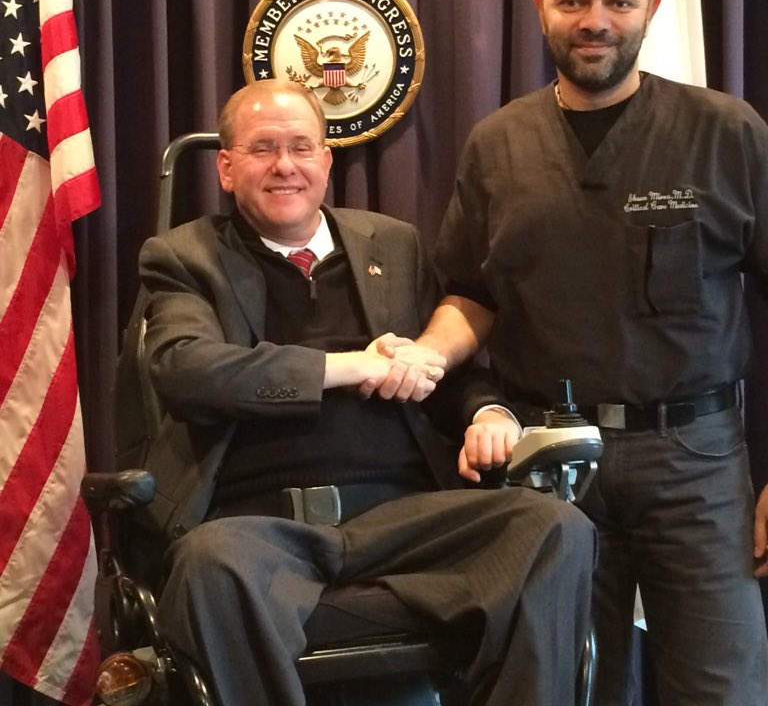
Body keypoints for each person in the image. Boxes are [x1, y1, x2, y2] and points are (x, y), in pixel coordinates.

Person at [136, 78, 596, 706]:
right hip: (260, 523)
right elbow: (188, 370)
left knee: (553, 527)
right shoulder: (184, 256)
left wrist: (488, 414)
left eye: (302, 147)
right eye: (263, 148)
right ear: (226, 168)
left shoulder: (393, 244)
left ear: (326, 161)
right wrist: (351, 366)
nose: (285, 166)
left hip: (401, 516)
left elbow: (444, 373)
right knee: (209, 566)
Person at [410, 0, 768, 705]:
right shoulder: (497, 145)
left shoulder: (728, 133)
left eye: (618, 2)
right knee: (563, 688)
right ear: (541, 6)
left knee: (723, 686)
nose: (595, 21)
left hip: (697, 464)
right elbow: (471, 295)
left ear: (652, 9)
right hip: (551, 463)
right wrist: (425, 356)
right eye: (573, 1)